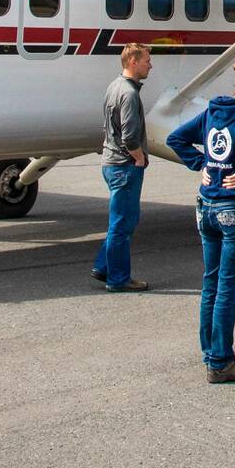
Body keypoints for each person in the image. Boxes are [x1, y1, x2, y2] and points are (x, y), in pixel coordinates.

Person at [166, 60, 235, 384]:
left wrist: (201, 163)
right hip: (234, 208)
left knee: (210, 283)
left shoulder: (212, 112)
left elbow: (176, 139)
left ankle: (215, 350)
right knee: (228, 286)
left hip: (206, 204)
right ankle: (221, 362)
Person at [93, 43, 152, 292]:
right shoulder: (128, 94)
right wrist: (138, 158)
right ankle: (118, 279)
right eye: (146, 60)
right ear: (133, 62)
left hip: (111, 162)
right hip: (124, 165)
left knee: (122, 221)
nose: (150, 65)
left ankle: (103, 265)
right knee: (123, 224)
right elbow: (129, 135)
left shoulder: (113, 86)